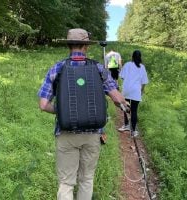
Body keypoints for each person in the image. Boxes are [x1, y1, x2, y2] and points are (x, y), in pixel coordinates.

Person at [38, 28, 128, 200]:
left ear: (69, 46)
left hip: (66, 134)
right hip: (92, 134)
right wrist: (124, 104)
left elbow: (43, 105)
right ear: (86, 47)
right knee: (87, 179)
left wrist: (65, 110)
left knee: (66, 183)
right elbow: (118, 99)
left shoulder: (57, 68)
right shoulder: (99, 69)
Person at [118, 50, 149, 137]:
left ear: (132, 56)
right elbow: (144, 81)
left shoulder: (127, 64)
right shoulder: (142, 67)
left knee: (125, 107)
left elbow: (122, 76)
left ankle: (126, 125)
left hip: (127, 89)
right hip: (136, 91)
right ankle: (133, 131)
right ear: (140, 57)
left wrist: (128, 82)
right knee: (134, 110)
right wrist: (142, 90)